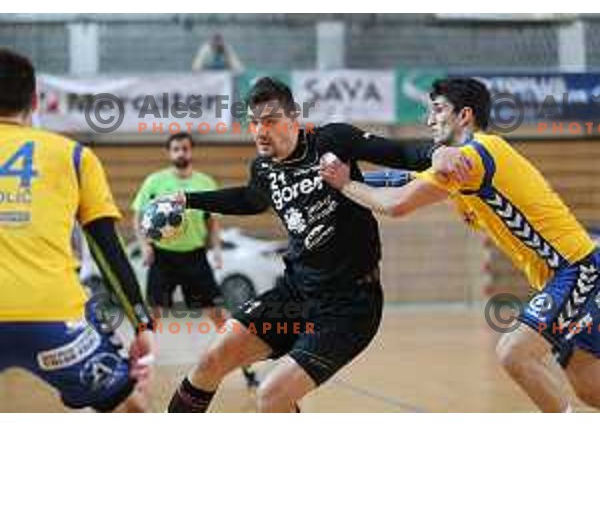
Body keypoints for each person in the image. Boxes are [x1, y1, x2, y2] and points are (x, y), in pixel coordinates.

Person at [156, 77, 468, 413]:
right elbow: (250, 199)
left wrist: (439, 151)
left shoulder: (332, 140)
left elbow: (401, 152)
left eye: (271, 121)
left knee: (271, 395)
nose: (260, 131)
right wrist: (187, 199)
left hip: (349, 308)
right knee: (210, 361)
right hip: (295, 294)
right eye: (254, 122)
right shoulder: (263, 169)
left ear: (294, 119)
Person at [320, 77, 600, 413]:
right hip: (558, 278)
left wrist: (345, 183)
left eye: (438, 110)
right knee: (589, 388)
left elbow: (395, 204)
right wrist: (325, 183)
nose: (429, 120)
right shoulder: (459, 165)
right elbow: (399, 180)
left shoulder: (476, 157)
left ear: (464, 115)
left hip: (576, 269)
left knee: (514, 353)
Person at [0, 48, 156, 412]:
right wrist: (141, 323)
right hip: (55, 321)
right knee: (130, 404)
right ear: (35, 100)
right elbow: (106, 247)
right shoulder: (73, 156)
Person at [131, 132, 259, 389]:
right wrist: (145, 245)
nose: (181, 153)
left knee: (219, 317)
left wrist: (217, 250)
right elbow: (138, 217)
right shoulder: (155, 182)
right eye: (176, 149)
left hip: (195, 258)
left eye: (185, 148)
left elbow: (212, 221)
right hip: (163, 258)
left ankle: (248, 370)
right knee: (150, 319)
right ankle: (134, 374)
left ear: (191, 152)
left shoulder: (205, 181)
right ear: (170, 153)